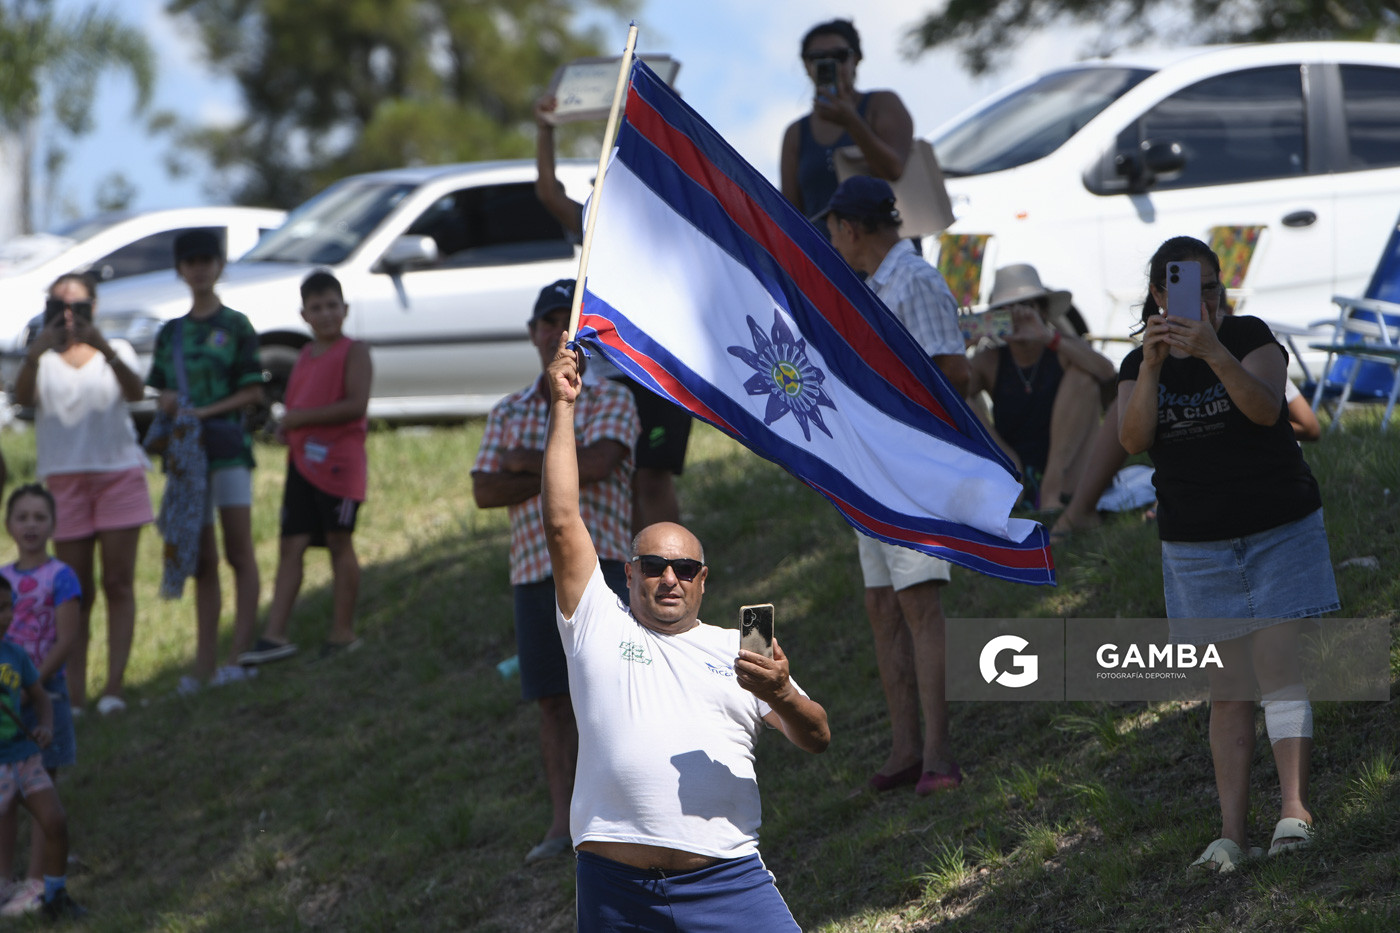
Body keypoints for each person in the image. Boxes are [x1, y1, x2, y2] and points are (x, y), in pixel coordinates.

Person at [538, 329, 829, 932]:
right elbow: (564, 520)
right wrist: (563, 406)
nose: (669, 578)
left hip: (728, 881)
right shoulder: (595, 620)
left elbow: (817, 736)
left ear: (704, 582)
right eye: (654, 566)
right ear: (629, 573)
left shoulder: (741, 645)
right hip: (616, 890)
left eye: (685, 568)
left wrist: (779, 694)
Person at [1118, 235, 1338, 872]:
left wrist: (1213, 350)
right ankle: (1230, 835)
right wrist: (1155, 364)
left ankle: (1294, 812)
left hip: (1276, 525)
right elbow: (1133, 438)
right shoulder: (1138, 365)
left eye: (1211, 287)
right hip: (1196, 544)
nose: (1203, 299)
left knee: (1277, 665)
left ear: (1223, 289)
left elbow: (1267, 409)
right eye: (1186, 288)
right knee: (1228, 688)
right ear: (1159, 295)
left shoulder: (1247, 335)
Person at [470, 279, 638, 863]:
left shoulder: (615, 397)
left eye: (565, 320)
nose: (554, 331)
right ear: (532, 332)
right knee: (551, 700)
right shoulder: (508, 408)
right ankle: (563, 824)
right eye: (545, 321)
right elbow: (483, 490)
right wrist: (546, 468)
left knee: (614, 691)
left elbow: (597, 464)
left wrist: (522, 461)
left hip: (607, 565)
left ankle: (627, 814)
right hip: (532, 573)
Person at [817, 175, 963, 794]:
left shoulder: (916, 281)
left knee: (919, 605)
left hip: (909, 468)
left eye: (833, 230)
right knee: (883, 606)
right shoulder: (876, 286)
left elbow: (950, 373)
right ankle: (906, 747)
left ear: (850, 229)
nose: (832, 241)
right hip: (873, 469)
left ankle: (938, 754)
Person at [533, 96, 693, 531]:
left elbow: (679, 165)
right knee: (619, 477)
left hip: (662, 371)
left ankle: (667, 570)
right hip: (610, 370)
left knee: (653, 477)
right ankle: (629, 578)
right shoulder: (594, 222)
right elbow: (548, 193)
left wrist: (666, 115)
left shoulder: (669, 219)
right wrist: (546, 127)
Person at [10, 273, 152, 716]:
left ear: (95, 305)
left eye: (79, 306)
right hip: (65, 482)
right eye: (59, 306)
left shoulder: (118, 350)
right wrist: (35, 354)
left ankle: (114, 687)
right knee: (75, 592)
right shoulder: (42, 360)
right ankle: (74, 695)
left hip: (118, 476)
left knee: (117, 583)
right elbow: (23, 402)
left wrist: (104, 347)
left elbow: (134, 393)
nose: (69, 315)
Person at [145, 229, 265, 693]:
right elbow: (162, 395)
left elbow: (254, 391)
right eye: (190, 261)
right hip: (187, 459)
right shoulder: (170, 333)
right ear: (179, 269)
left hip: (229, 449)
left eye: (206, 259)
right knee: (203, 559)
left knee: (239, 551)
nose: (198, 268)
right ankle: (204, 662)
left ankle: (241, 652)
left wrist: (202, 412)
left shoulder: (236, 325)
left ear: (219, 265)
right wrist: (176, 410)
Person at [239, 271, 371, 665]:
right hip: (302, 465)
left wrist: (300, 420)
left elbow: (355, 405)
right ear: (304, 314)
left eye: (332, 305)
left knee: (338, 541)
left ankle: (343, 632)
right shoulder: (303, 359)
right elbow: (295, 409)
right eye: (317, 308)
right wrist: (287, 429)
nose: (327, 314)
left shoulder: (354, 351)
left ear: (345, 309)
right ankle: (274, 633)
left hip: (339, 468)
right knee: (290, 545)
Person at [965, 264, 1116, 511]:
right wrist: (963, 347)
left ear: (1043, 312)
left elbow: (1106, 371)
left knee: (1084, 378)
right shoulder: (990, 361)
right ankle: (1012, 477)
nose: (1018, 318)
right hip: (1014, 467)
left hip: (1067, 469)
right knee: (962, 400)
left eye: (1027, 308)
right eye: (1006, 311)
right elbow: (942, 394)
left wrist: (1047, 336)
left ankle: (1052, 490)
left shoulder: (1060, 350)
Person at [0, 486, 80, 916]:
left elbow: (67, 637)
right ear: (8, 524)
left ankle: (35, 883)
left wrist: (34, 684)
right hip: (5, 702)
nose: (31, 525)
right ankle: (5, 881)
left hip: (46, 693)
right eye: (22, 517)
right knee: (6, 797)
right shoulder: (2, 579)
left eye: (40, 517)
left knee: (41, 787)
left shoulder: (62, 576)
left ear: (53, 525)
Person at [780, 19, 913, 219]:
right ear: (806, 65)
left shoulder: (882, 105)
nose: (830, 63)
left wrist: (851, 121)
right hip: (824, 248)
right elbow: (791, 216)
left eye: (839, 56)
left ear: (856, 59)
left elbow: (893, 170)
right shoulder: (796, 134)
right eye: (817, 57)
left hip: (886, 247)